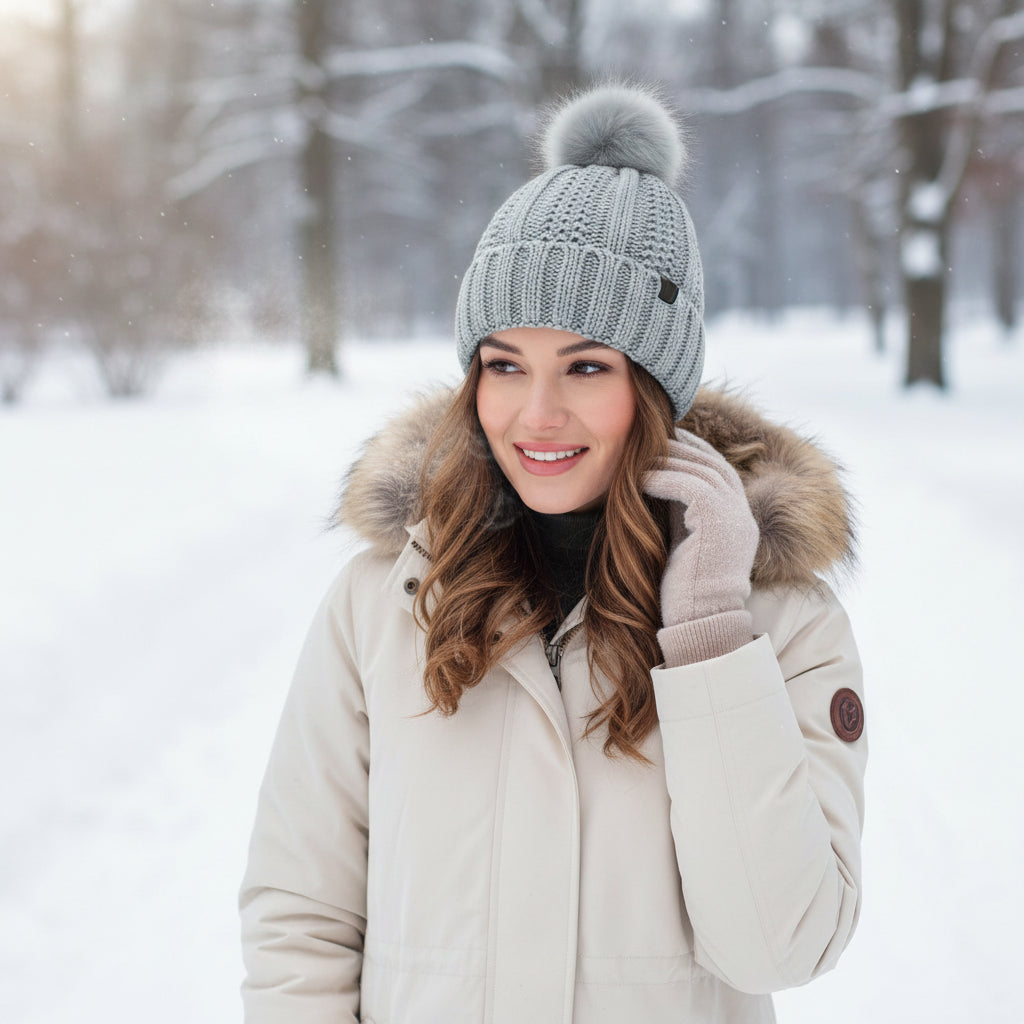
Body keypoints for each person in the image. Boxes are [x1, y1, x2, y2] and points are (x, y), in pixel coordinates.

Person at [239, 84, 867, 1024]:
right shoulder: (386, 596)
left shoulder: (780, 621)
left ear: (653, 385)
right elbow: (302, 911)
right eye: (503, 366)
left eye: (585, 367)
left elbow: (779, 943)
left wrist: (708, 638)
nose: (536, 415)